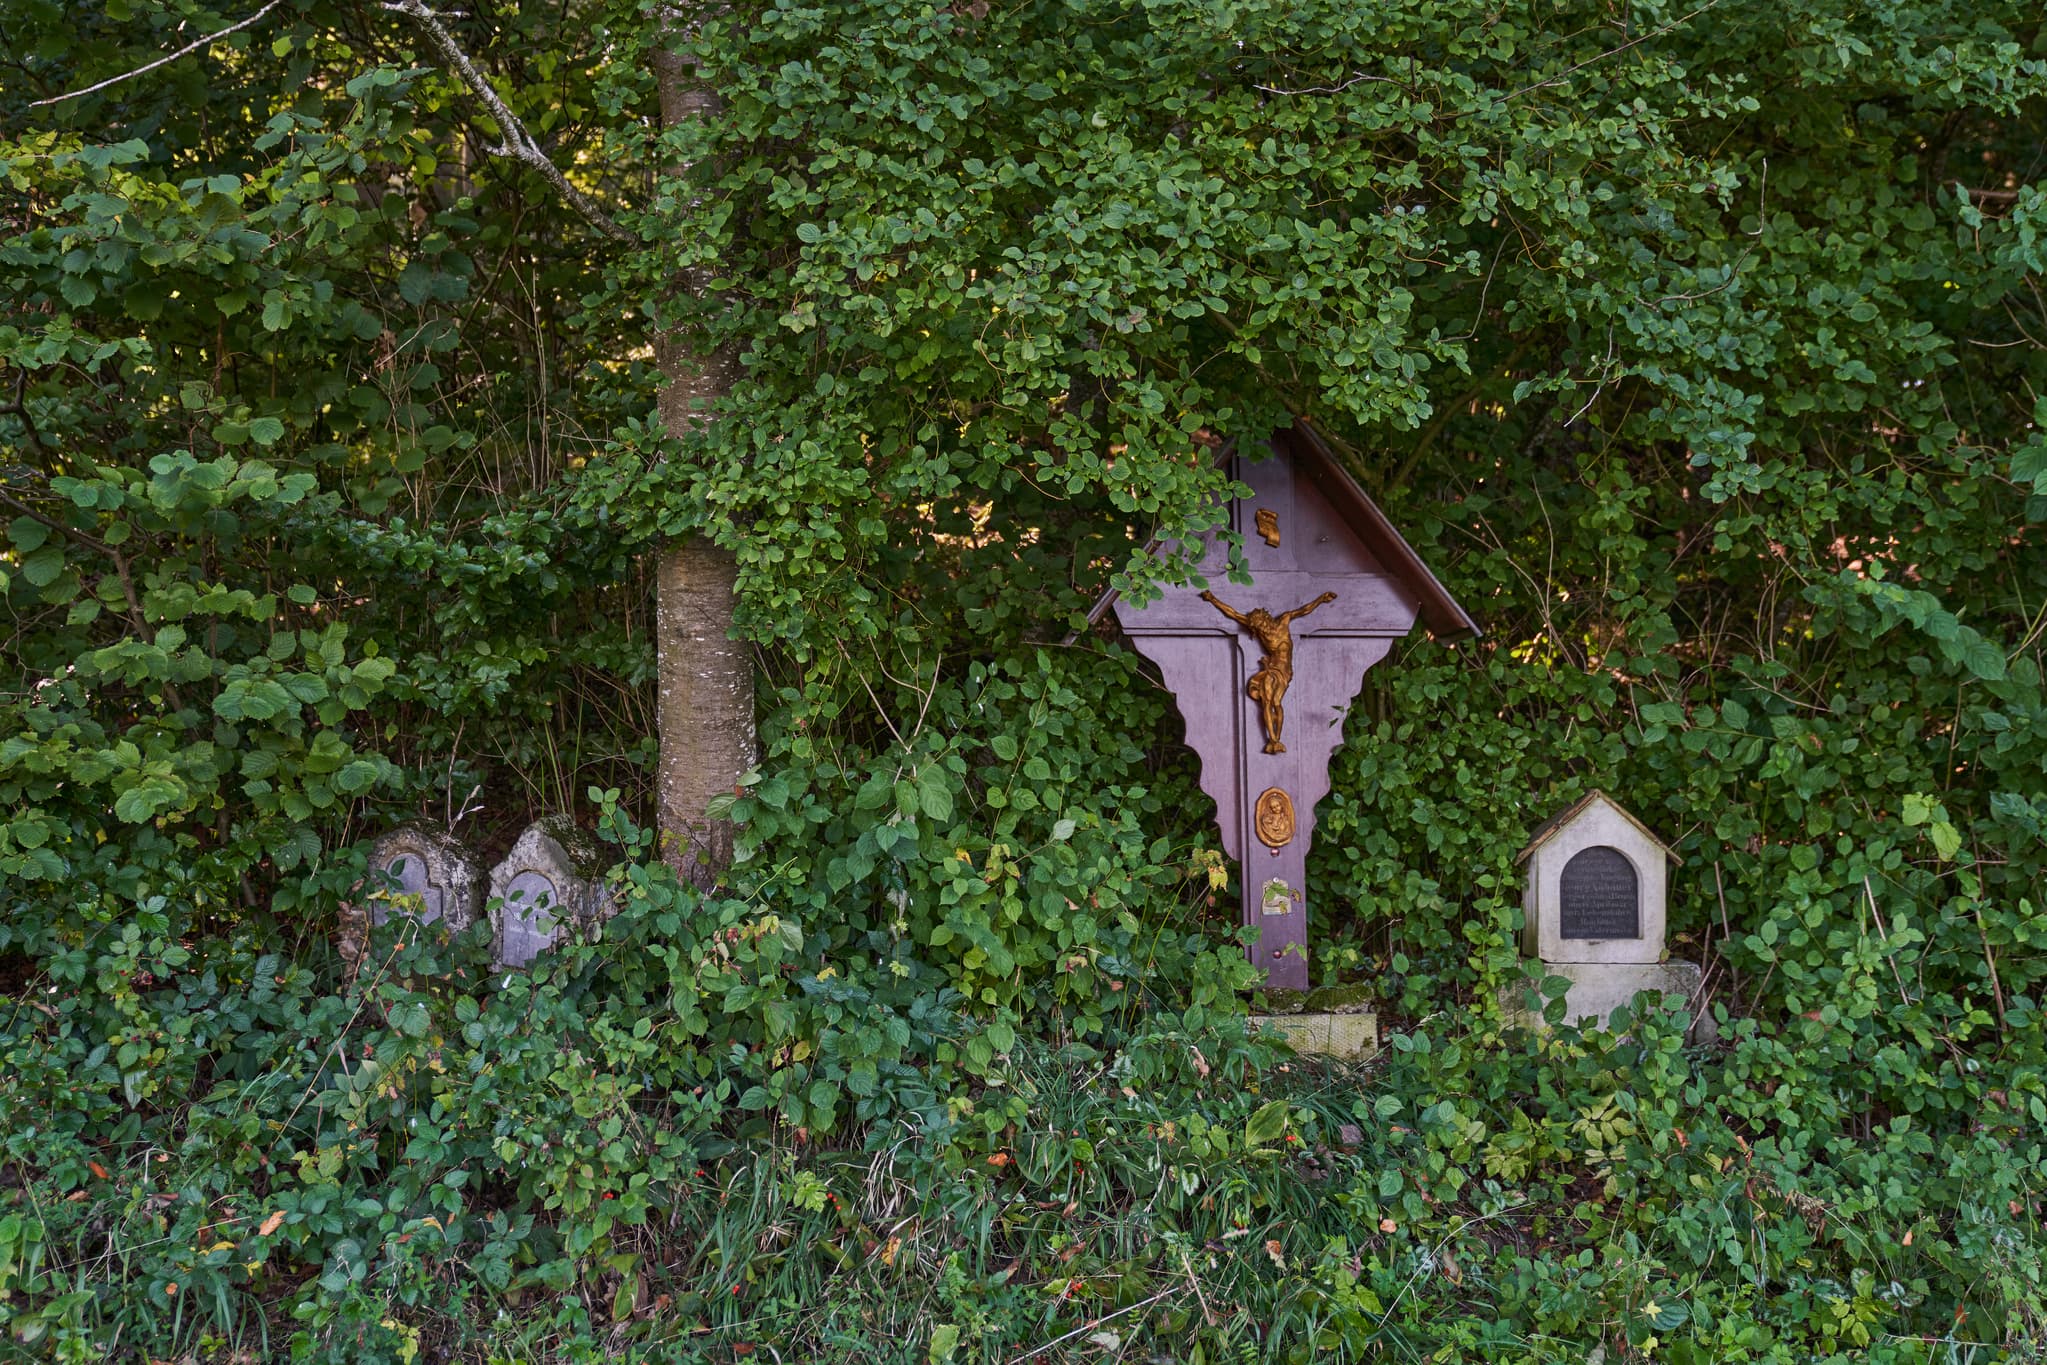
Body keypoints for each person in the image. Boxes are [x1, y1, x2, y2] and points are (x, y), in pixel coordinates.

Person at [1199, 589, 1338, 753]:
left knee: (1277, 702)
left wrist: (1321, 599)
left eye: (1262, 625)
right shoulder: (1260, 631)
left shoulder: (1284, 620)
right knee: (1266, 701)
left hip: (1284, 670)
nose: (1261, 629)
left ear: (1266, 618)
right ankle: (1273, 740)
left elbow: (1304, 610)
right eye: (1257, 628)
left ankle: (1277, 737)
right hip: (1271, 668)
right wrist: (1212, 599)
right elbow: (1233, 614)